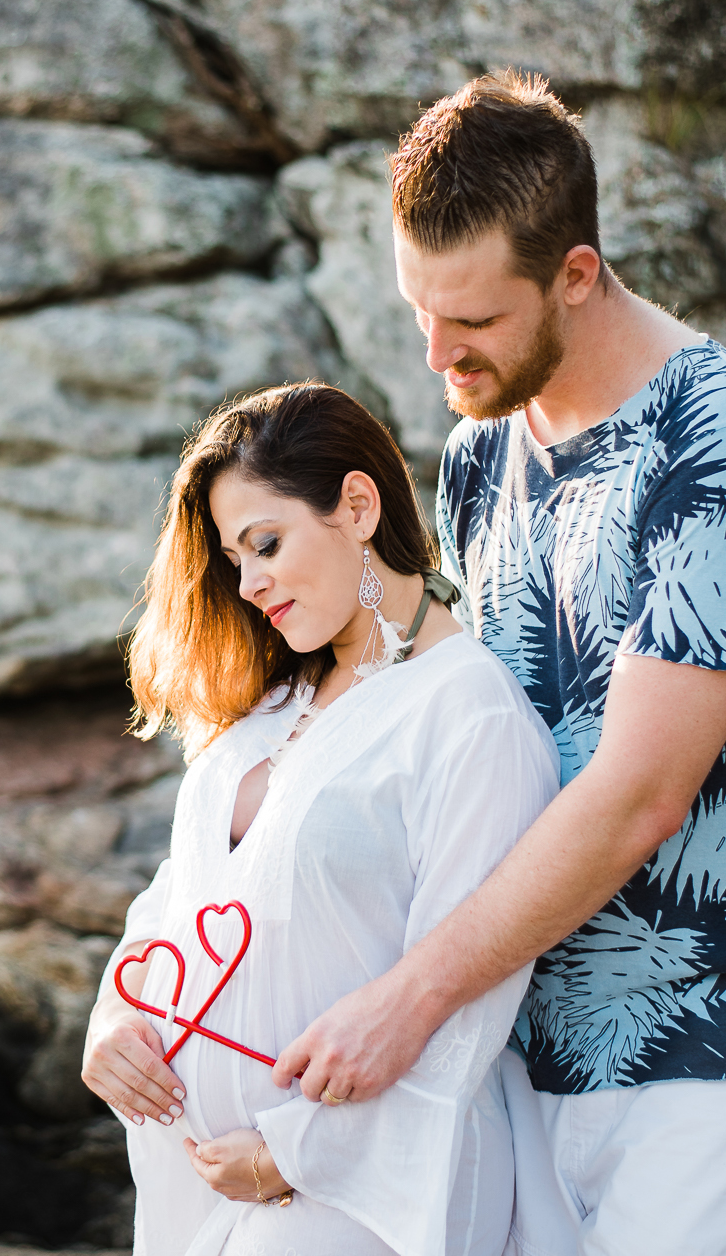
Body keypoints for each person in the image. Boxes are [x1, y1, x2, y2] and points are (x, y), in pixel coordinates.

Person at [271, 70, 726, 1256]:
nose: (438, 353)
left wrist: (408, 998)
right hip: (524, 1032)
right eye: (417, 311)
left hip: (724, 1022)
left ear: (576, 273)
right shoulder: (476, 455)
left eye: (471, 319)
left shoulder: (724, 441)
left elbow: (636, 792)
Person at [80, 383, 559, 1256]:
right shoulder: (266, 705)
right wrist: (115, 1014)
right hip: (203, 1192)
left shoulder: (468, 711)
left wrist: (294, 1153)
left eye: (266, 543)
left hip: (364, 1196)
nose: (249, 582)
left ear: (358, 506)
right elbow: (178, 899)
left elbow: (465, 1001)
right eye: (234, 558)